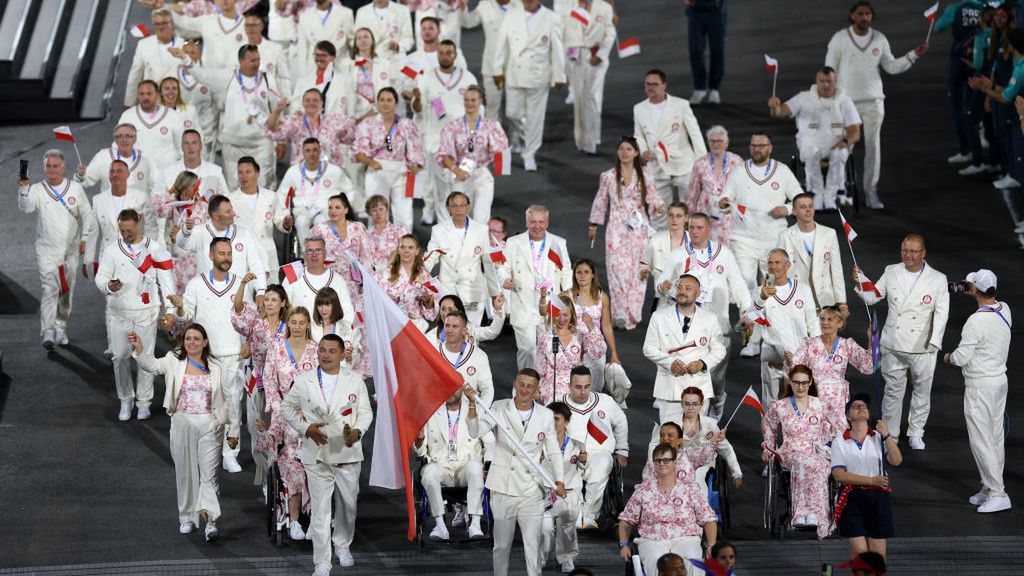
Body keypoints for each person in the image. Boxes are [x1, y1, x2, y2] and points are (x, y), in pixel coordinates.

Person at [130, 323, 235, 541]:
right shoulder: (173, 360)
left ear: (205, 342)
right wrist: (140, 348)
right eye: (188, 338)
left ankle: (210, 521)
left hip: (210, 424)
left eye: (197, 338)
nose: (192, 342)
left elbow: (227, 398)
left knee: (210, 474)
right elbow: (151, 366)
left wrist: (232, 429)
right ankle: (187, 517)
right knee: (185, 472)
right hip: (182, 422)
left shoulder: (216, 366)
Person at [281, 335, 373, 574]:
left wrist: (357, 430)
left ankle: (342, 544)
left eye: (332, 351)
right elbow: (286, 408)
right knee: (320, 511)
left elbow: (365, 412)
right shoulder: (303, 381)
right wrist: (305, 428)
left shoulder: (354, 379)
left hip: (347, 453)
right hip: (317, 453)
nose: (326, 355)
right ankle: (322, 563)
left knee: (347, 505)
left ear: (342, 355)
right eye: (322, 350)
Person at [825, 1, 928, 209]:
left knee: (873, 146)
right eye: (860, 13)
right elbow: (829, 69)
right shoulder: (840, 38)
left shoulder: (879, 39)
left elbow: (891, 66)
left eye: (868, 14)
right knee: (846, 145)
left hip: (874, 102)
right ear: (852, 16)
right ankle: (842, 191)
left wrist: (913, 55)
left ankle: (871, 193)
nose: (865, 17)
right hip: (847, 103)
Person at [465, 370, 566, 576]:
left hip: (532, 489)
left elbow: (553, 451)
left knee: (533, 545)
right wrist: (473, 404)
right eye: (521, 384)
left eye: (530, 386)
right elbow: (475, 432)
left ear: (537, 391)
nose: (524, 390)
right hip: (503, 488)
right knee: (501, 546)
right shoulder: (499, 408)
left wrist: (559, 479)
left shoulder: (545, 415)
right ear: (514, 384)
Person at [852, 234, 949, 450]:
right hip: (893, 343)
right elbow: (873, 297)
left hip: (922, 346)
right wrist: (860, 282)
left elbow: (942, 314)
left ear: (923, 253)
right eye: (905, 250)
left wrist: (935, 342)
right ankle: (890, 434)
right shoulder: (891, 271)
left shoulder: (937, 279)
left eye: (913, 251)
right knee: (893, 391)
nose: (908, 255)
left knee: (922, 391)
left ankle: (916, 431)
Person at [656, 212, 750, 419]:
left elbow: (738, 284)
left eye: (700, 228)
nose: (695, 231)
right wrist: (663, 286)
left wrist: (746, 312)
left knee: (715, 380)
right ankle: (697, 424)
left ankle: (717, 405)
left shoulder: (723, 253)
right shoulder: (678, 255)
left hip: (718, 327)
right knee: (689, 380)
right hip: (687, 329)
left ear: (709, 229)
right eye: (692, 227)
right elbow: (662, 283)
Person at [718, 133, 803, 355]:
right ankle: (751, 340)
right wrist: (724, 203)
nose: (757, 149)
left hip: (773, 239)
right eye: (753, 145)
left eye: (761, 145)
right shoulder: (738, 172)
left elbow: (800, 199)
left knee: (772, 288)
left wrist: (787, 209)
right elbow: (725, 198)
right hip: (743, 239)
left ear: (770, 147)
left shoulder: (782, 171)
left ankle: (774, 337)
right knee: (744, 288)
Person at [95, 208, 176, 420]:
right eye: (122, 230)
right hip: (119, 311)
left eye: (129, 230)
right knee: (120, 356)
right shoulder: (112, 249)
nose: (126, 234)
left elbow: (166, 282)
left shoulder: (156, 248)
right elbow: (100, 277)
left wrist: (170, 310)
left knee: (145, 358)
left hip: (146, 312)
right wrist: (108, 286)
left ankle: (144, 401)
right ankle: (125, 399)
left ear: (138, 223)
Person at [944, 269, 1012, 513]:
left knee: (981, 440)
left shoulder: (975, 321)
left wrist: (948, 357)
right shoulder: (1004, 308)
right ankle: (989, 486)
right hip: (999, 382)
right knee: (994, 438)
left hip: (980, 386)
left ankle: (998, 492)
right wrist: (974, 287)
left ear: (974, 289)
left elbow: (961, 357)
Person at [170, 44, 281, 189]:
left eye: (258, 60)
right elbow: (203, 75)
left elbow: (277, 108)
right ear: (241, 61)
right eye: (252, 60)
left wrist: (281, 140)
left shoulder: (267, 79)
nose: (257, 64)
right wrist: (185, 59)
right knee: (234, 187)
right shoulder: (228, 76)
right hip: (233, 145)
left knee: (262, 186)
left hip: (260, 144)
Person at [17, 149, 92, 349]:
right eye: (48, 166)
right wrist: (24, 189)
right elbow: (26, 208)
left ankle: (61, 328)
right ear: (44, 168)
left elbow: (87, 214)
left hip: (70, 251)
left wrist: (85, 238)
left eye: (55, 166)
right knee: (50, 289)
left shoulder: (75, 188)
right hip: (47, 252)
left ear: (63, 167)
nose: (52, 170)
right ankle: (48, 332)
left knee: (66, 291)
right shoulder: (37, 188)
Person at [588, 136, 665, 330]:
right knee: (616, 268)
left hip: (639, 229)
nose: (624, 152)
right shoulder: (608, 176)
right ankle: (620, 311)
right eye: (621, 149)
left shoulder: (645, 174)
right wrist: (593, 224)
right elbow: (600, 200)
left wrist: (658, 206)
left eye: (629, 149)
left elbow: (653, 196)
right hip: (616, 229)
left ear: (636, 152)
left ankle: (633, 311)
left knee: (638, 270)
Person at [761, 365, 839, 538]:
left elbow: (837, 426)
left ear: (810, 382)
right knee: (802, 460)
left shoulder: (820, 404)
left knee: (818, 465)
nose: (801, 387)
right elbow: (768, 426)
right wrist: (768, 446)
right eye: (797, 382)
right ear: (790, 382)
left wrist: (832, 441)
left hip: (816, 450)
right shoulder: (779, 406)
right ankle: (801, 513)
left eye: (804, 383)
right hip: (791, 450)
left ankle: (816, 514)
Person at [767, 67, 861, 210]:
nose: (825, 85)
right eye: (822, 81)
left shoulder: (845, 101)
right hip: (810, 144)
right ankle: (816, 195)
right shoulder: (804, 98)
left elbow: (855, 131)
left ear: (835, 82)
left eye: (829, 81)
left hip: (836, 145)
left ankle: (830, 196)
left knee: (840, 153)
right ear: (817, 81)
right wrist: (774, 108)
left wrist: (845, 142)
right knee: (811, 152)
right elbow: (781, 111)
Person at [618, 442, 718, 576]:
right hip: (652, 539)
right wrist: (623, 545)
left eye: (666, 460)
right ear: (653, 464)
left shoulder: (690, 489)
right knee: (656, 561)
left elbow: (709, 519)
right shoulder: (643, 491)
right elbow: (626, 520)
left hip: (686, 537)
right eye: (658, 460)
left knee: (692, 559)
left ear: (675, 462)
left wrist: (711, 546)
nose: (662, 463)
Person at [263, 305, 318, 540]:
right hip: (285, 413)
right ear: (288, 325)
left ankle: (317, 517)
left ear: (307, 325)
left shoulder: (316, 351)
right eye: (293, 322)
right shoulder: (276, 348)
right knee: (294, 468)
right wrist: (279, 409)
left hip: (312, 414)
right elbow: (268, 380)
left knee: (319, 465)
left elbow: (322, 381)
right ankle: (294, 520)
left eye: (301, 322)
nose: (296, 327)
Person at [492, 0, 567, 171]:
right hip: (514, 73)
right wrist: (497, 69)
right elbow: (501, 44)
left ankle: (530, 153)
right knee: (512, 113)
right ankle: (520, 135)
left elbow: (557, 48)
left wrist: (559, 75)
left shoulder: (551, 17)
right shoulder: (511, 15)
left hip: (538, 74)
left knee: (535, 117)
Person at [409, 37, 476, 226]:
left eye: (449, 53)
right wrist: (415, 99)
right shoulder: (426, 77)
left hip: (462, 139)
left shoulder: (468, 77)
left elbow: (477, 104)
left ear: (455, 55)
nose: (445, 56)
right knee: (437, 181)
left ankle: (459, 218)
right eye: (441, 53)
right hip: (435, 137)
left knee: (460, 180)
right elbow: (418, 108)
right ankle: (439, 218)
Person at [231, 277, 290, 488]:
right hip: (258, 382)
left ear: (283, 302)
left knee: (282, 430)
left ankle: (283, 477)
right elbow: (238, 311)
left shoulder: (290, 327)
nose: (270, 303)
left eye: (274, 300)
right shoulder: (256, 323)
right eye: (267, 299)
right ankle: (265, 478)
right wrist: (242, 285)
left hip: (284, 387)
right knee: (258, 429)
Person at [643, 274, 726, 423]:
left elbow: (720, 350)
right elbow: (648, 348)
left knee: (696, 438)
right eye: (679, 287)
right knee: (669, 438)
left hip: (699, 387)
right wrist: (670, 363)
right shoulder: (658, 317)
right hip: (670, 387)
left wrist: (702, 363)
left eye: (688, 288)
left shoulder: (710, 319)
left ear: (698, 293)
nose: (682, 291)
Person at [501, 205, 574, 370]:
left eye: (541, 222)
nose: (537, 226)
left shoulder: (558, 243)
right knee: (527, 349)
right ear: (526, 223)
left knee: (546, 350)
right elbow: (502, 267)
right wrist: (504, 279)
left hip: (550, 305)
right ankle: (525, 385)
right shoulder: (513, 243)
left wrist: (567, 301)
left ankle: (543, 387)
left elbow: (566, 273)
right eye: (533, 222)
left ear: (547, 223)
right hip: (522, 303)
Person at [831, 393, 902, 560]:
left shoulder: (878, 438)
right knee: (860, 553)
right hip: (852, 499)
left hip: (878, 499)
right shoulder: (840, 442)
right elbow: (839, 474)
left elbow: (896, 460)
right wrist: (871, 480)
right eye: (855, 406)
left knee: (878, 555)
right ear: (848, 416)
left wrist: (887, 436)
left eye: (864, 406)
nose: (861, 408)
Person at [633, 69, 706, 229]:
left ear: (664, 85)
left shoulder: (680, 105)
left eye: (655, 84)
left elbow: (695, 134)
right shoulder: (639, 109)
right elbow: (638, 135)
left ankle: (690, 250)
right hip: (656, 167)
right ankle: (660, 251)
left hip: (684, 166)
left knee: (690, 212)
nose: (651, 87)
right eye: (647, 84)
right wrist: (643, 149)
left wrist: (702, 165)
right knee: (658, 213)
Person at [561, 366, 628, 530]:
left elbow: (621, 422)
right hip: (570, 453)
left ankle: (589, 515)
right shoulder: (558, 404)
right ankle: (575, 514)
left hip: (599, 453)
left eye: (587, 386)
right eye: (578, 387)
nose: (583, 392)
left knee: (602, 465)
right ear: (569, 386)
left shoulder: (605, 401)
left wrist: (622, 450)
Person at [749, 248, 821, 402]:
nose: (773, 266)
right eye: (770, 263)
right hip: (771, 354)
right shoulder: (760, 291)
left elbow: (813, 322)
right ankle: (768, 427)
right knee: (769, 401)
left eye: (777, 262)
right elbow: (751, 317)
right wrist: (762, 298)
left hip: (798, 354)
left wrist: (816, 348)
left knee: (798, 400)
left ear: (787, 265)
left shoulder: (803, 289)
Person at [416, 387, 487, 541]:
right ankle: (440, 526)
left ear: (461, 389)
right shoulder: (431, 411)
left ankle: (475, 524)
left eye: (453, 388)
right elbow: (420, 452)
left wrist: (490, 462)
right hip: (441, 466)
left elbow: (488, 440)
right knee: (428, 472)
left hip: (465, 466)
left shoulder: (475, 409)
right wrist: (420, 439)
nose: (449, 391)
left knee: (476, 467)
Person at [353, 87, 426, 230]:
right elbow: (358, 151)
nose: (385, 103)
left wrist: (415, 166)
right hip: (377, 169)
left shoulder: (406, 124)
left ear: (396, 103)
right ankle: (376, 249)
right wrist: (371, 162)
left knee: (404, 216)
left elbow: (416, 148)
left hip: (401, 171)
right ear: (377, 102)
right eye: (382, 100)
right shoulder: (368, 124)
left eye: (389, 100)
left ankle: (405, 249)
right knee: (377, 214)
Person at [436, 84, 510, 224]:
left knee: (481, 218)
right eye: (467, 100)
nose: (469, 103)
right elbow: (444, 154)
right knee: (459, 219)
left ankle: (479, 246)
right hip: (460, 174)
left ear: (480, 100)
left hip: (481, 174)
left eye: (473, 100)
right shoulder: (452, 126)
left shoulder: (491, 126)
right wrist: (456, 170)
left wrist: (501, 166)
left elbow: (503, 151)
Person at [788, 305, 873, 423]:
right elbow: (794, 370)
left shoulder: (847, 345)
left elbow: (868, 367)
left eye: (830, 319)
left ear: (840, 323)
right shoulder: (809, 344)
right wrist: (789, 361)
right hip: (814, 399)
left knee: (837, 438)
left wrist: (871, 339)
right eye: (822, 319)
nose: (825, 322)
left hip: (837, 403)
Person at [176, 194, 268, 302]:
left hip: (239, 300)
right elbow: (182, 244)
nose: (233, 214)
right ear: (215, 215)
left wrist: (261, 290)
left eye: (232, 210)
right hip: (209, 300)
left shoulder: (244, 232)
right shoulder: (200, 232)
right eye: (228, 211)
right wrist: (186, 230)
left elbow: (255, 263)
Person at [425, 191, 500, 325]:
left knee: (472, 334)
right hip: (449, 293)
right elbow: (430, 259)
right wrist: (422, 283)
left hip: (473, 292)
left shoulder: (481, 230)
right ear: (448, 208)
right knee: (449, 332)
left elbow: (488, 265)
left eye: (462, 205)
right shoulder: (439, 230)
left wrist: (495, 293)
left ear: (468, 207)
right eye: (454, 206)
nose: (459, 210)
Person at [934, 0, 986, 166]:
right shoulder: (984, 8)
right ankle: (983, 137)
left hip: (959, 59)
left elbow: (938, 27)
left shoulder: (955, 9)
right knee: (981, 99)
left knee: (958, 105)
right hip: (981, 59)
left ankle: (966, 150)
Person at [275, 138, 354, 246]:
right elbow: (282, 196)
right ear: (302, 152)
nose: (311, 154)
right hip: (302, 211)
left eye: (315, 150)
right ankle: (306, 254)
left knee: (321, 221)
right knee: (301, 222)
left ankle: (326, 254)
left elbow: (350, 190)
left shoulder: (333, 170)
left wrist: (343, 211)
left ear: (320, 151)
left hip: (327, 212)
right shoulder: (293, 172)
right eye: (308, 151)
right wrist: (283, 217)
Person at [777, 193, 847, 312]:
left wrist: (842, 302)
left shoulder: (829, 234)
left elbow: (836, 270)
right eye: (803, 207)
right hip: (796, 299)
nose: (808, 210)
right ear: (794, 211)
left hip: (825, 299)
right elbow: (778, 270)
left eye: (811, 206)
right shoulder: (785, 236)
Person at [561, 0, 615, 155]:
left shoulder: (603, 7)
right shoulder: (570, 8)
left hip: (596, 57)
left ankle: (592, 139)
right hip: (576, 59)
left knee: (591, 96)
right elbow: (564, 34)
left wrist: (600, 55)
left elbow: (610, 33)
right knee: (579, 98)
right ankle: (581, 138)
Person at [83, 160, 156, 271]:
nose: (115, 174)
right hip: (108, 260)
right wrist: (88, 260)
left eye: (119, 171)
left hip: (136, 259)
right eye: (112, 171)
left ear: (128, 174)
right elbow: (93, 232)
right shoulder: (98, 200)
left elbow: (151, 228)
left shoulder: (142, 198)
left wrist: (148, 255)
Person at [534, 293, 606, 405]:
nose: (562, 319)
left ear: (572, 314)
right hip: (551, 386)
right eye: (558, 315)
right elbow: (539, 369)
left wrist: (591, 327)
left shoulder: (579, 335)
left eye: (566, 315)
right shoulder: (545, 338)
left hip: (576, 384)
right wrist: (537, 390)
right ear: (553, 315)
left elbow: (598, 352)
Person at [540, 401, 585, 573]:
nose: (552, 423)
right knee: (544, 529)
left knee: (567, 528)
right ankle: (542, 556)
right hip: (546, 491)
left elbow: (583, 468)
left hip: (569, 492)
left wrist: (584, 461)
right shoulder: (539, 443)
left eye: (556, 419)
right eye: (549, 419)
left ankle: (567, 557)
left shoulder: (577, 445)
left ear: (566, 422)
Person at [563, 259, 619, 392]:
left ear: (593, 275)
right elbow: (552, 316)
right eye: (579, 272)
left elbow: (606, 326)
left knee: (595, 380)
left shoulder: (602, 297)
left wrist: (614, 353)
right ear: (574, 275)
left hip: (594, 343)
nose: (582, 275)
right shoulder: (566, 295)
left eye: (586, 272)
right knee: (572, 380)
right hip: (573, 343)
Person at [675, 387, 742, 498]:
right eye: (687, 404)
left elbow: (725, 448)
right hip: (678, 464)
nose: (691, 408)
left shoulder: (710, 424)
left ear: (701, 405)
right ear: (681, 404)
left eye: (695, 404)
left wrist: (736, 473)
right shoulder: (672, 424)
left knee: (697, 479)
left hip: (703, 464)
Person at [268, 87, 357, 170]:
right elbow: (272, 128)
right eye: (307, 100)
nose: (311, 103)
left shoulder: (334, 120)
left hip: (331, 173)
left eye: (315, 100)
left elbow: (355, 128)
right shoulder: (295, 122)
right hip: (302, 173)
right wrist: (277, 110)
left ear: (322, 103)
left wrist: (369, 114)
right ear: (302, 103)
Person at [686, 125, 743, 246]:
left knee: (729, 248)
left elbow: (744, 189)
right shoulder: (700, 163)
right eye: (712, 141)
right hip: (706, 212)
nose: (716, 144)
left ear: (726, 143)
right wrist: (689, 217)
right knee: (706, 246)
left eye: (719, 141)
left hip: (728, 213)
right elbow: (692, 192)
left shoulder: (736, 161)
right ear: (708, 142)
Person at [310, 193, 369, 305]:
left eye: (337, 207)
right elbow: (310, 254)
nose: (333, 211)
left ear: (346, 210)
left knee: (352, 317)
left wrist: (366, 283)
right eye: (330, 207)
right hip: (328, 280)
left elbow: (366, 257)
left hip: (353, 282)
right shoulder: (320, 229)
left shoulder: (358, 227)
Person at [460, 0, 514, 122]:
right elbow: (468, 23)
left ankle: (517, 138)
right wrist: (463, 8)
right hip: (491, 64)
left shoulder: (519, 5)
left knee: (516, 108)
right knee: (492, 105)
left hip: (515, 65)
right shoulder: (485, 5)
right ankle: (493, 137)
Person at [226, 157, 278, 277]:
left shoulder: (271, 196)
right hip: (242, 252)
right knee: (243, 293)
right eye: (240, 172)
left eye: (248, 172)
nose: (243, 176)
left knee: (271, 293)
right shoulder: (230, 199)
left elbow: (280, 220)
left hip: (267, 249)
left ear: (257, 173)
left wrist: (286, 223)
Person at [286, 236, 356, 323]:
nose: (314, 254)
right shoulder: (293, 277)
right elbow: (284, 309)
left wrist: (338, 333)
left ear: (325, 254)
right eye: (310, 250)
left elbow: (347, 312)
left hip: (331, 334)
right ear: (304, 255)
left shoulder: (338, 280)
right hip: (301, 334)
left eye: (318, 250)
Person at [118, 80, 185, 170]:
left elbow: (182, 146)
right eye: (142, 94)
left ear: (157, 94)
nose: (145, 97)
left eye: (149, 93)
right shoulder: (127, 116)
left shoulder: (172, 115)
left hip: (166, 174)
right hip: (138, 173)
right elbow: (118, 146)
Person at [76, 123, 159, 195]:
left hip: (139, 211)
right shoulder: (103, 156)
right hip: (111, 209)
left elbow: (156, 184)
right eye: (119, 136)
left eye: (128, 136)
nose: (124, 140)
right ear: (115, 140)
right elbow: (85, 180)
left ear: (135, 139)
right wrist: (81, 174)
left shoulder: (146, 158)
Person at [380, 234, 438, 331]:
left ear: (417, 251)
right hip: (393, 325)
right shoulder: (386, 272)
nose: (406, 251)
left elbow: (431, 314)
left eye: (410, 247)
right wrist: (387, 299)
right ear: (398, 250)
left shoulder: (424, 274)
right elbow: (375, 296)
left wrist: (428, 301)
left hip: (417, 326)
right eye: (403, 247)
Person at [437, 310, 495, 406]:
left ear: (465, 330)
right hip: (440, 411)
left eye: (455, 326)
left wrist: (478, 413)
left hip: (468, 412)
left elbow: (487, 391)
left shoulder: (479, 356)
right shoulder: (434, 352)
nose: (450, 330)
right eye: (447, 325)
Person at [169, 0, 248, 70]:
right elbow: (183, 20)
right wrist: (165, 7)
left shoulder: (245, 21)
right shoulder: (206, 14)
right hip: (195, 44)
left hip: (233, 70)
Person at [125, 8, 180, 107]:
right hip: (152, 105)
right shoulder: (143, 45)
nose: (161, 27)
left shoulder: (184, 45)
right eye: (157, 24)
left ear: (172, 24)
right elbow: (135, 76)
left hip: (178, 105)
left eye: (164, 23)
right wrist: (128, 104)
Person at [158, 129, 230, 205]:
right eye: (186, 143)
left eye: (194, 143)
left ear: (201, 145)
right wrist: (171, 191)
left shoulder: (215, 171)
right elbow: (156, 203)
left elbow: (226, 201)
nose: (190, 147)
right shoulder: (167, 172)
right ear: (182, 146)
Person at [643, 202, 690, 310]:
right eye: (671, 215)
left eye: (679, 216)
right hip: (661, 300)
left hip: (687, 301)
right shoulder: (655, 241)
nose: (674, 219)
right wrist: (644, 271)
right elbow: (644, 264)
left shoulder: (694, 244)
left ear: (686, 218)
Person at [293, 0, 355, 81]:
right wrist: (301, 78)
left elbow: (353, 41)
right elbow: (302, 50)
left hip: (340, 67)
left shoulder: (346, 13)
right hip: (315, 69)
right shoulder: (305, 16)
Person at [684, 0, 728, 105]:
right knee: (695, 48)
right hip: (695, 11)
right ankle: (700, 88)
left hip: (716, 11)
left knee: (717, 49)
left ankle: (714, 89)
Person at [364, 194, 407, 272]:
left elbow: (406, 251)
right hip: (373, 273)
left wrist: (386, 265)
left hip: (396, 271)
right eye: (374, 210)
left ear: (386, 209)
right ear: (369, 213)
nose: (378, 213)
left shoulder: (399, 230)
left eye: (381, 209)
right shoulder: (366, 234)